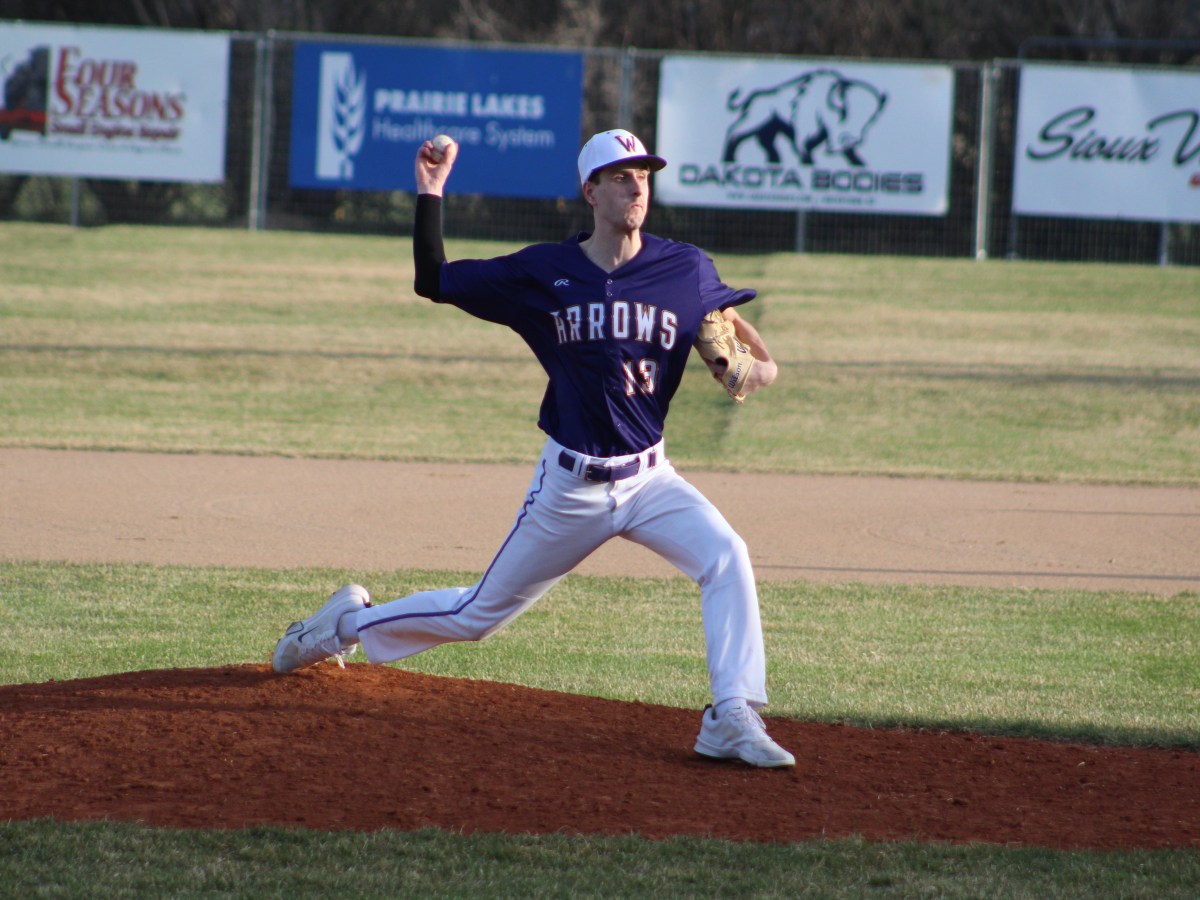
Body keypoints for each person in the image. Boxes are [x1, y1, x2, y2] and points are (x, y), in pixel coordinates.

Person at [272, 129, 794, 768]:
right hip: (570, 487)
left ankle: (730, 714)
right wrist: (431, 193)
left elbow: (749, 347)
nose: (637, 186)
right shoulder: (545, 273)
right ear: (590, 191)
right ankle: (340, 626)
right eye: (622, 176)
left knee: (726, 556)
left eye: (644, 175)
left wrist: (751, 370)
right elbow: (432, 279)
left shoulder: (684, 269)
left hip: (651, 481)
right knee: (476, 617)